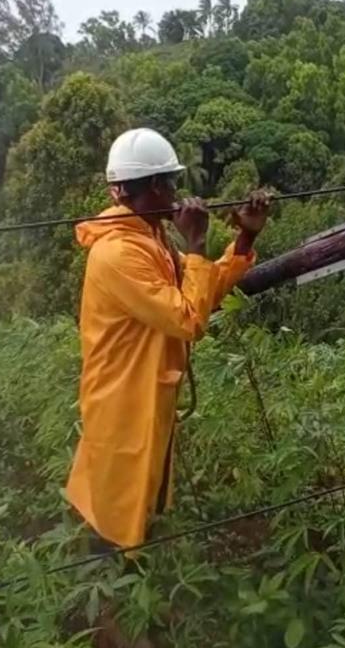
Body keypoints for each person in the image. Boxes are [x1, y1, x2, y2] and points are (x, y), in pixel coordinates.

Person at [65, 127, 271, 552]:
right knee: (115, 499)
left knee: (139, 488)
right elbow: (190, 320)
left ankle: (133, 555)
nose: (178, 191)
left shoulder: (147, 240)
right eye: (173, 182)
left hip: (143, 390)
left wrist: (245, 238)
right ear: (155, 187)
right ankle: (109, 584)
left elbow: (202, 291)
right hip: (123, 397)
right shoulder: (118, 254)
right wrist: (195, 242)